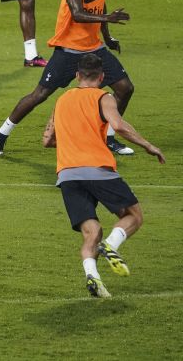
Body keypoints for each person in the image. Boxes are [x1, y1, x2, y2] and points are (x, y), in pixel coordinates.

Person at [0, 0, 136, 156]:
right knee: (40, 95)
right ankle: (0, 135)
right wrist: (107, 19)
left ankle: (108, 138)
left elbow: (100, 5)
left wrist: (107, 37)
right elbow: (77, 13)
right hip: (69, 51)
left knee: (125, 88)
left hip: (94, 49)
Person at [41, 53, 164, 297]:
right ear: (102, 77)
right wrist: (148, 145)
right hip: (97, 170)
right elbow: (118, 126)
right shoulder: (103, 97)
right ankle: (112, 245)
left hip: (67, 175)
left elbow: (47, 140)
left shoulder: (61, 100)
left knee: (91, 231)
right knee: (133, 216)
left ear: (77, 76)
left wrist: (73, 140)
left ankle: (93, 277)